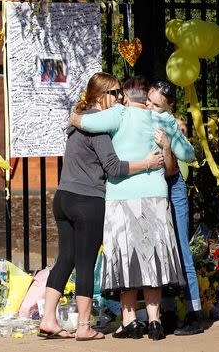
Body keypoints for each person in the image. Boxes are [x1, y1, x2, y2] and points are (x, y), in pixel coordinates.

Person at [38, 72, 164, 341]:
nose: (120, 98)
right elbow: (114, 167)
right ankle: (84, 326)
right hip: (87, 201)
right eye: (115, 92)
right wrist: (147, 163)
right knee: (85, 262)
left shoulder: (77, 124)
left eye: (121, 93)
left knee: (66, 259)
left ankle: (48, 319)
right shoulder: (97, 127)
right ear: (100, 95)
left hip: (63, 198)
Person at [69, 77, 195, 341]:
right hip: (155, 195)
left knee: (126, 257)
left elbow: (88, 122)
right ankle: (154, 320)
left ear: (126, 96)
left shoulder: (119, 114)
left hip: (122, 195)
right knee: (153, 258)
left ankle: (129, 321)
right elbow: (188, 153)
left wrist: (74, 117)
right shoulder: (161, 119)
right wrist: (169, 139)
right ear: (145, 98)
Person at [147, 80, 204, 336]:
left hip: (173, 186)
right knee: (160, 249)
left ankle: (195, 313)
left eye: (156, 104)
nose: (150, 106)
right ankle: (167, 312)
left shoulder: (167, 121)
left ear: (168, 107)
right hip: (150, 188)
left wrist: (170, 131)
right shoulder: (140, 116)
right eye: (148, 99)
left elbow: (189, 154)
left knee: (180, 248)